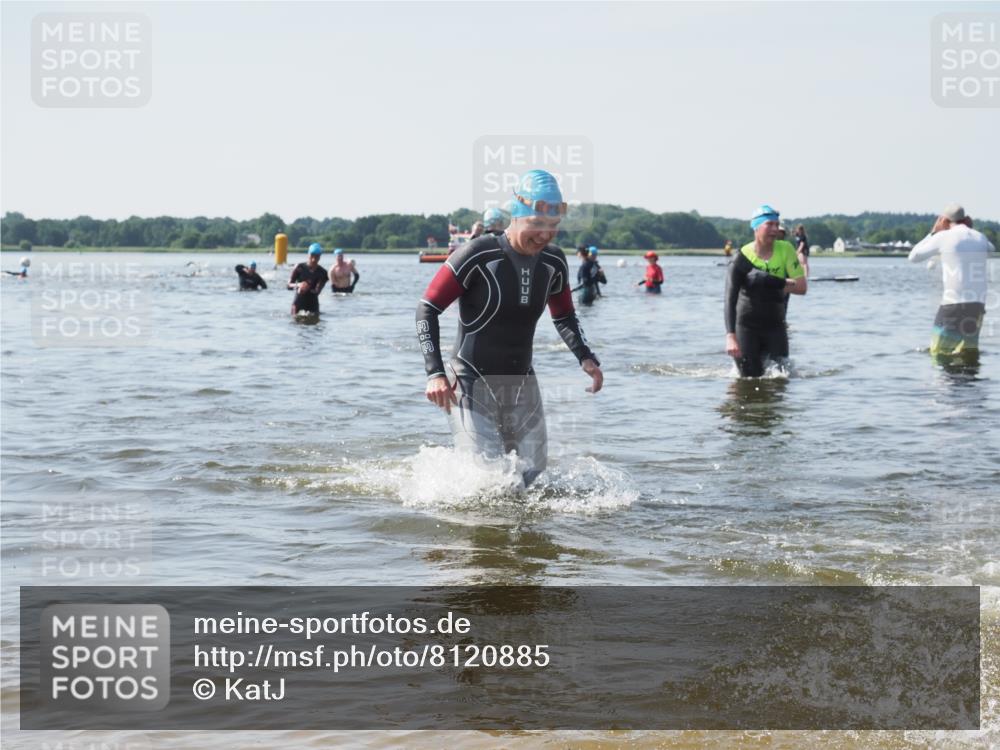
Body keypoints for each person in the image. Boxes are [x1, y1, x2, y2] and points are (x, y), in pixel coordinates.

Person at [416, 169, 603, 488]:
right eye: (537, 224)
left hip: (522, 384)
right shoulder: (477, 254)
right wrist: (435, 374)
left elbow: (564, 316)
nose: (545, 235)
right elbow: (427, 309)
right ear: (517, 214)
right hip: (470, 381)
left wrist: (585, 357)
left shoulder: (554, 262)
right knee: (489, 482)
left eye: (553, 226)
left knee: (534, 482)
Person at [724, 205, 807, 377]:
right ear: (756, 227)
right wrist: (730, 337)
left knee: (781, 377)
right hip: (746, 327)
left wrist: (770, 281)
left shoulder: (785, 249)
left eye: (777, 225)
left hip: (775, 326)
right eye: (769, 224)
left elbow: (801, 287)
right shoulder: (741, 257)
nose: (775, 229)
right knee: (749, 379)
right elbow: (729, 300)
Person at [907, 203, 994, 362]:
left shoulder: (943, 236)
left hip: (953, 304)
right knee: (968, 354)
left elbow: (913, 257)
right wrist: (970, 230)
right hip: (977, 305)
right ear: (966, 219)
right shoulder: (981, 237)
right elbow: (991, 249)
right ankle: (970, 377)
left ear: (945, 221)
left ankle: (944, 377)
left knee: (938, 353)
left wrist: (933, 232)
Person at [288, 243, 328, 315]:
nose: (314, 259)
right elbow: (288, 286)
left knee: (315, 320)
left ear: (320, 256)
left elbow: (318, 290)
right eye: (312, 255)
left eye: (317, 256)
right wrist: (299, 285)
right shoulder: (299, 267)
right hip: (299, 301)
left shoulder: (323, 272)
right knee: (295, 320)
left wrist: (309, 288)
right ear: (308, 254)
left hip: (312, 303)